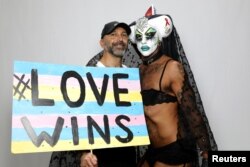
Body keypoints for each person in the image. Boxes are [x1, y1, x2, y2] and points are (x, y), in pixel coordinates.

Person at [128, 14, 218, 167]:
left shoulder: (172, 68)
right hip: (154, 150)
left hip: (175, 151)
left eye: (149, 36)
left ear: (160, 39)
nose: (143, 41)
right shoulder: (140, 70)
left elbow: (191, 110)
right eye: (139, 37)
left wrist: (205, 149)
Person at [49, 21, 139, 167]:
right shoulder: (88, 75)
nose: (120, 39)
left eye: (124, 35)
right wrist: (83, 154)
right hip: (98, 155)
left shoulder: (131, 75)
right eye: (113, 34)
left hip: (127, 154)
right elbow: (76, 120)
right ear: (102, 43)